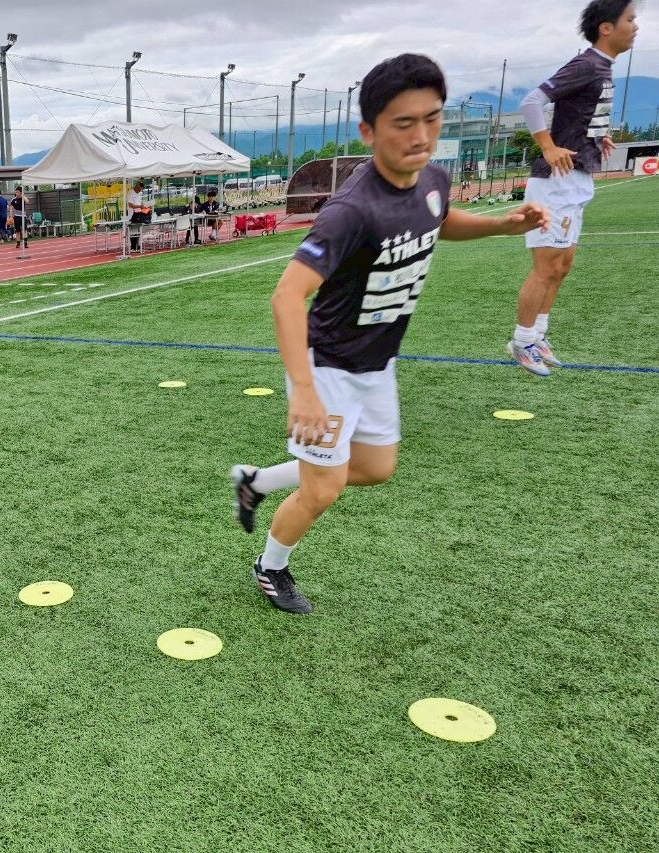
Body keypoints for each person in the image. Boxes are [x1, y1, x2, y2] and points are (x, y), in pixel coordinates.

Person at [228, 54, 550, 614]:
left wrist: (501, 225)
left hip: (378, 361)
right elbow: (286, 296)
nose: (420, 136)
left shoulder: (433, 179)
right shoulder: (350, 211)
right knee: (323, 488)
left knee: (375, 468)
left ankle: (256, 481)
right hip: (329, 366)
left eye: (431, 119)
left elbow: (438, 218)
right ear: (369, 131)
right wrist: (303, 389)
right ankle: (270, 566)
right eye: (403, 123)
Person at [508, 0, 639, 376]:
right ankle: (521, 341)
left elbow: (581, 114)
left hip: (577, 178)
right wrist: (547, 146)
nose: (636, 27)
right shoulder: (586, 64)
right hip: (555, 182)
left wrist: (598, 138)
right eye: (630, 19)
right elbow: (532, 102)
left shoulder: (603, 67)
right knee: (546, 266)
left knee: (563, 266)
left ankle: (538, 335)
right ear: (606, 27)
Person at [10, 185, 27, 251]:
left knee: (24, 230)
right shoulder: (13, 199)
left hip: (23, 216)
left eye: (17, 192)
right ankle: (18, 243)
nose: (16, 193)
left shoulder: (23, 198)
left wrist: (22, 195)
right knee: (17, 231)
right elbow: (11, 208)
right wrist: (11, 216)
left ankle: (25, 242)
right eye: (16, 192)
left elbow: (27, 201)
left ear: (20, 192)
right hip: (16, 217)